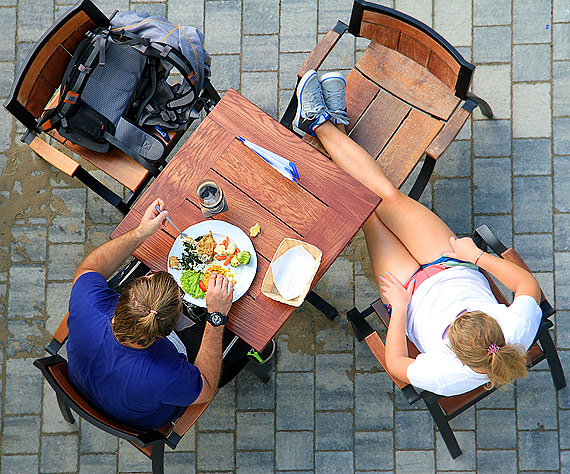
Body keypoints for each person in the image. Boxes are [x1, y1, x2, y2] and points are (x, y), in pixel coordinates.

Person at [294, 69, 542, 397]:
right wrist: (477, 257)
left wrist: (398, 308)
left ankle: (325, 124)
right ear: (494, 327)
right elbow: (527, 284)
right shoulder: (515, 330)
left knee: (367, 213)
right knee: (386, 195)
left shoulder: (446, 377)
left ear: (457, 354)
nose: (458, 312)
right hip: (452, 263)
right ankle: (323, 125)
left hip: (408, 293)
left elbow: (396, 362)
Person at [67, 198, 272, 429]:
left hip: (88, 382)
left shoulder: (88, 302)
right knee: (247, 335)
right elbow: (205, 387)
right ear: (169, 331)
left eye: (148, 277)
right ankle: (254, 351)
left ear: (128, 293)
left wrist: (140, 232)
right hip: (142, 417)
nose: (151, 273)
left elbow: (88, 269)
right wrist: (216, 317)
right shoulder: (165, 373)